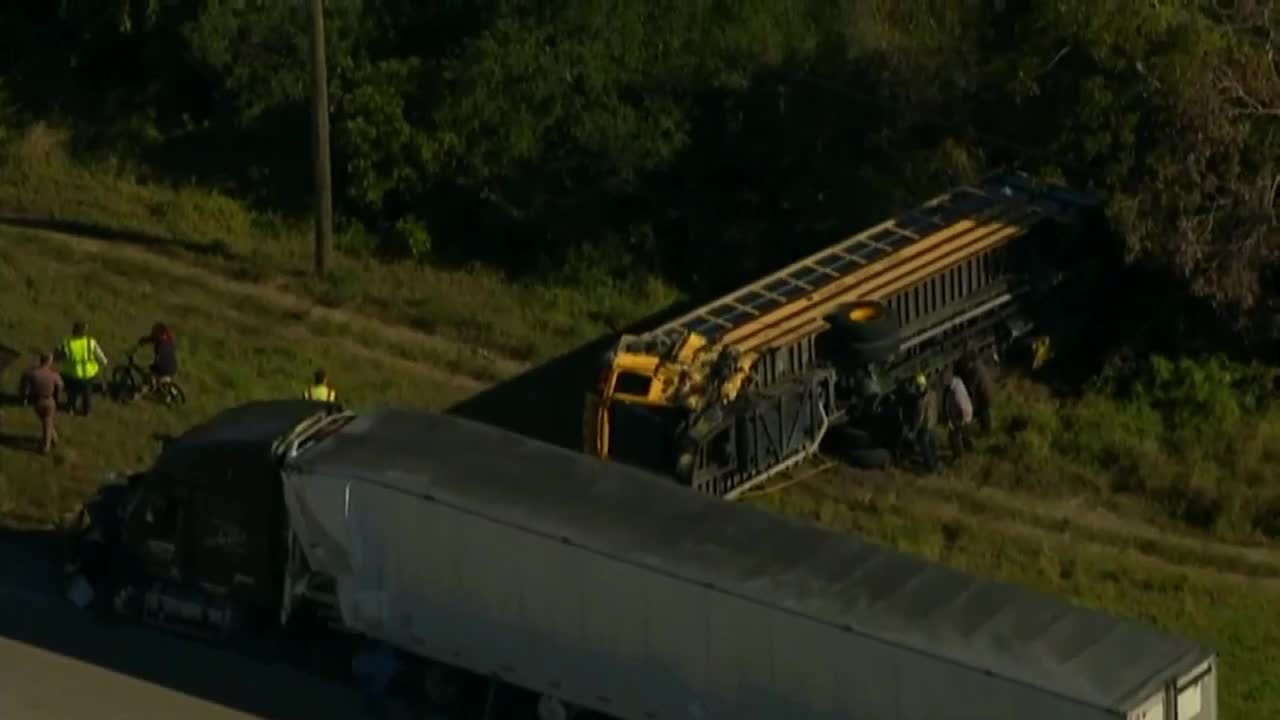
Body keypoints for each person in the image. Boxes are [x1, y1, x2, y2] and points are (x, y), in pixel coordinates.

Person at [58, 321, 108, 417]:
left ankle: (70, 408)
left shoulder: (68, 343)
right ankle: (87, 411)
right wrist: (104, 362)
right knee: (87, 394)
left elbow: (61, 357)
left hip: (72, 373)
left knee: (72, 393)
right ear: (85, 332)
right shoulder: (91, 342)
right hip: (89, 374)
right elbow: (101, 357)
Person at [18, 352, 64, 454]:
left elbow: (24, 388)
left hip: (37, 401)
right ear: (49, 361)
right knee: (47, 422)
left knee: (46, 421)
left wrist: (24, 398)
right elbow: (60, 387)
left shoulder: (32, 373)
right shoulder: (53, 374)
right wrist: (57, 398)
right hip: (49, 400)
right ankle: (46, 446)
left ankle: (54, 437)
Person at [897, 371, 939, 473]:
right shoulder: (932, 394)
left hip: (925, 426)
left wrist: (913, 431)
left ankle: (930, 468)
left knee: (925, 448)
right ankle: (935, 464)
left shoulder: (920, 401)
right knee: (932, 445)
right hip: (932, 423)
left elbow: (918, 419)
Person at [940, 364, 975, 459]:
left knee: (953, 437)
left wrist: (957, 423)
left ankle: (959, 456)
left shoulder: (955, 392)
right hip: (965, 414)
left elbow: (962, 407)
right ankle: (970, 448)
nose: (942, 382)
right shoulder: (957, 381)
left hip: (962, 416)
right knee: (966, 434)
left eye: (943, 380)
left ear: (947, 379)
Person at [960, 348, 996, 434]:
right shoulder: (979, 366)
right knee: (985, 411)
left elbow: (973, 384)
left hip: (984, 394)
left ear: (970, 362)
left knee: (984, 411)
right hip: (987, 392)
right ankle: (986, 428)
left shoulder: (975, 370)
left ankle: (986, 429)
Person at [136, 322, 178, 390]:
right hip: (173, 366)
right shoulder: (167, 339)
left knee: (149, 377)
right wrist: (143, 340)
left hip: (165, 366)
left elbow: (160, 359)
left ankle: (137, 393)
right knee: (161, 377)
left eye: (154, 332)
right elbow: (151, 338)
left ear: (160, 334)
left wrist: (155, 365)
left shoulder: (162, 346)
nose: (153, 333)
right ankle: (166, 386)